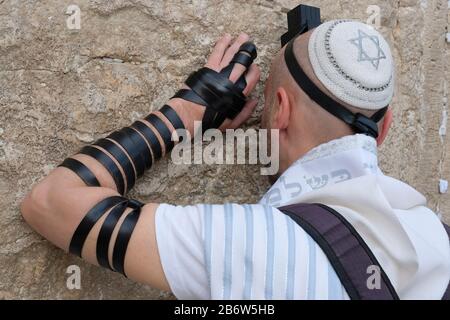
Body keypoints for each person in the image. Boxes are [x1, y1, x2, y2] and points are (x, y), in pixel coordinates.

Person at [20, 19, 450, 300]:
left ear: (279, 109)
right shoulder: (438, 238)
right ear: (387, 126)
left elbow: (52, 201)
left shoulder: (259, 246)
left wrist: (185, 113)